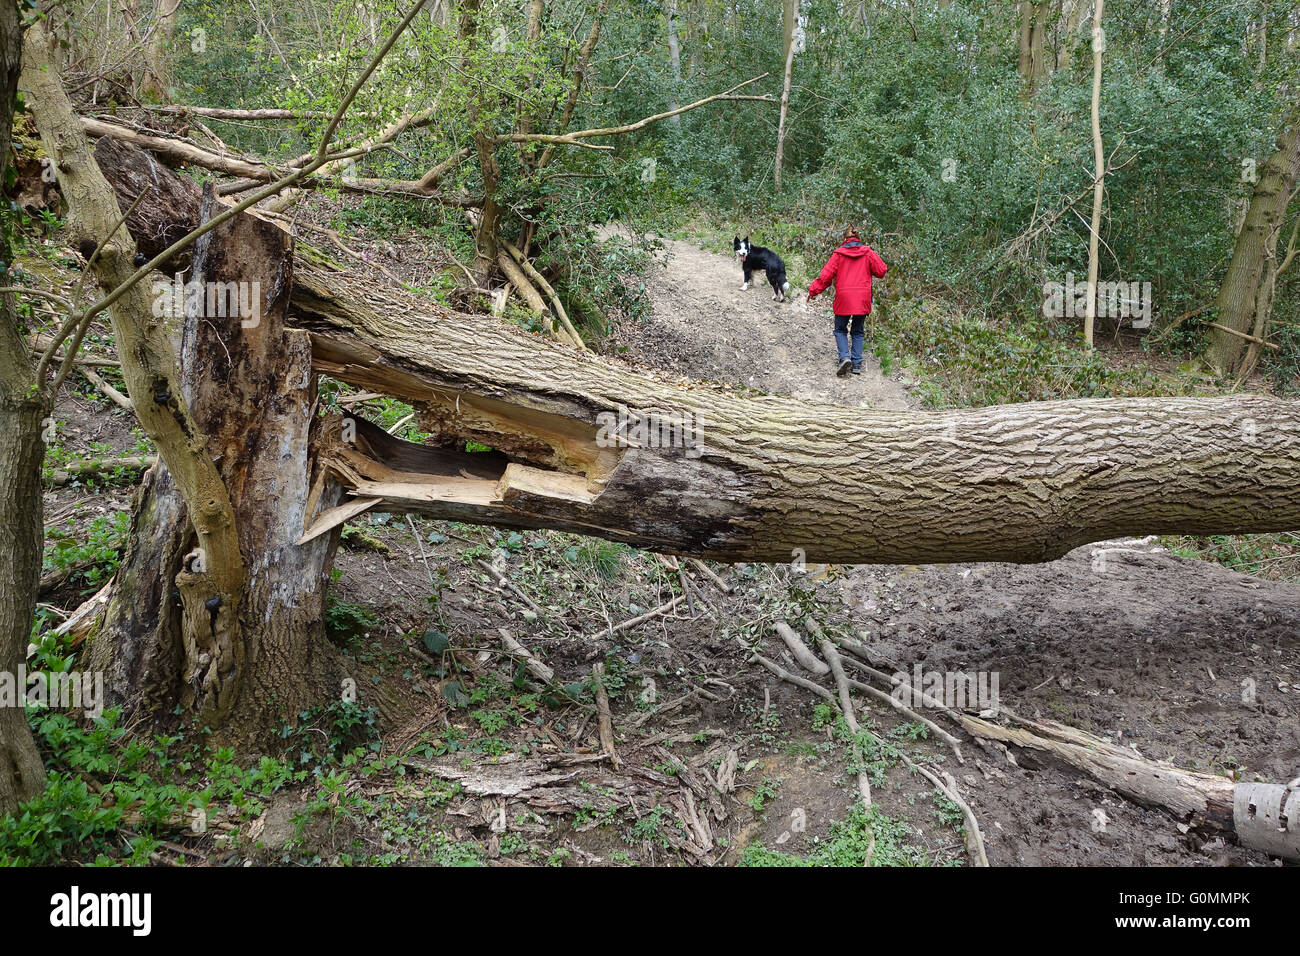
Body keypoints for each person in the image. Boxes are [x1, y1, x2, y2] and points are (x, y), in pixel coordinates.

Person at [807, 228, 888, 377]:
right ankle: (856, 363)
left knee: (840, 329)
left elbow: (826, 277)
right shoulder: (868, 253)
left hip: (844, 297)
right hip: (862, 298)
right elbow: (882, 270)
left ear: (844, 239)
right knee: (858, 330)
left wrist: (813, 291)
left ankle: (844, 357)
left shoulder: (838, 255)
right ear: (859, 238)